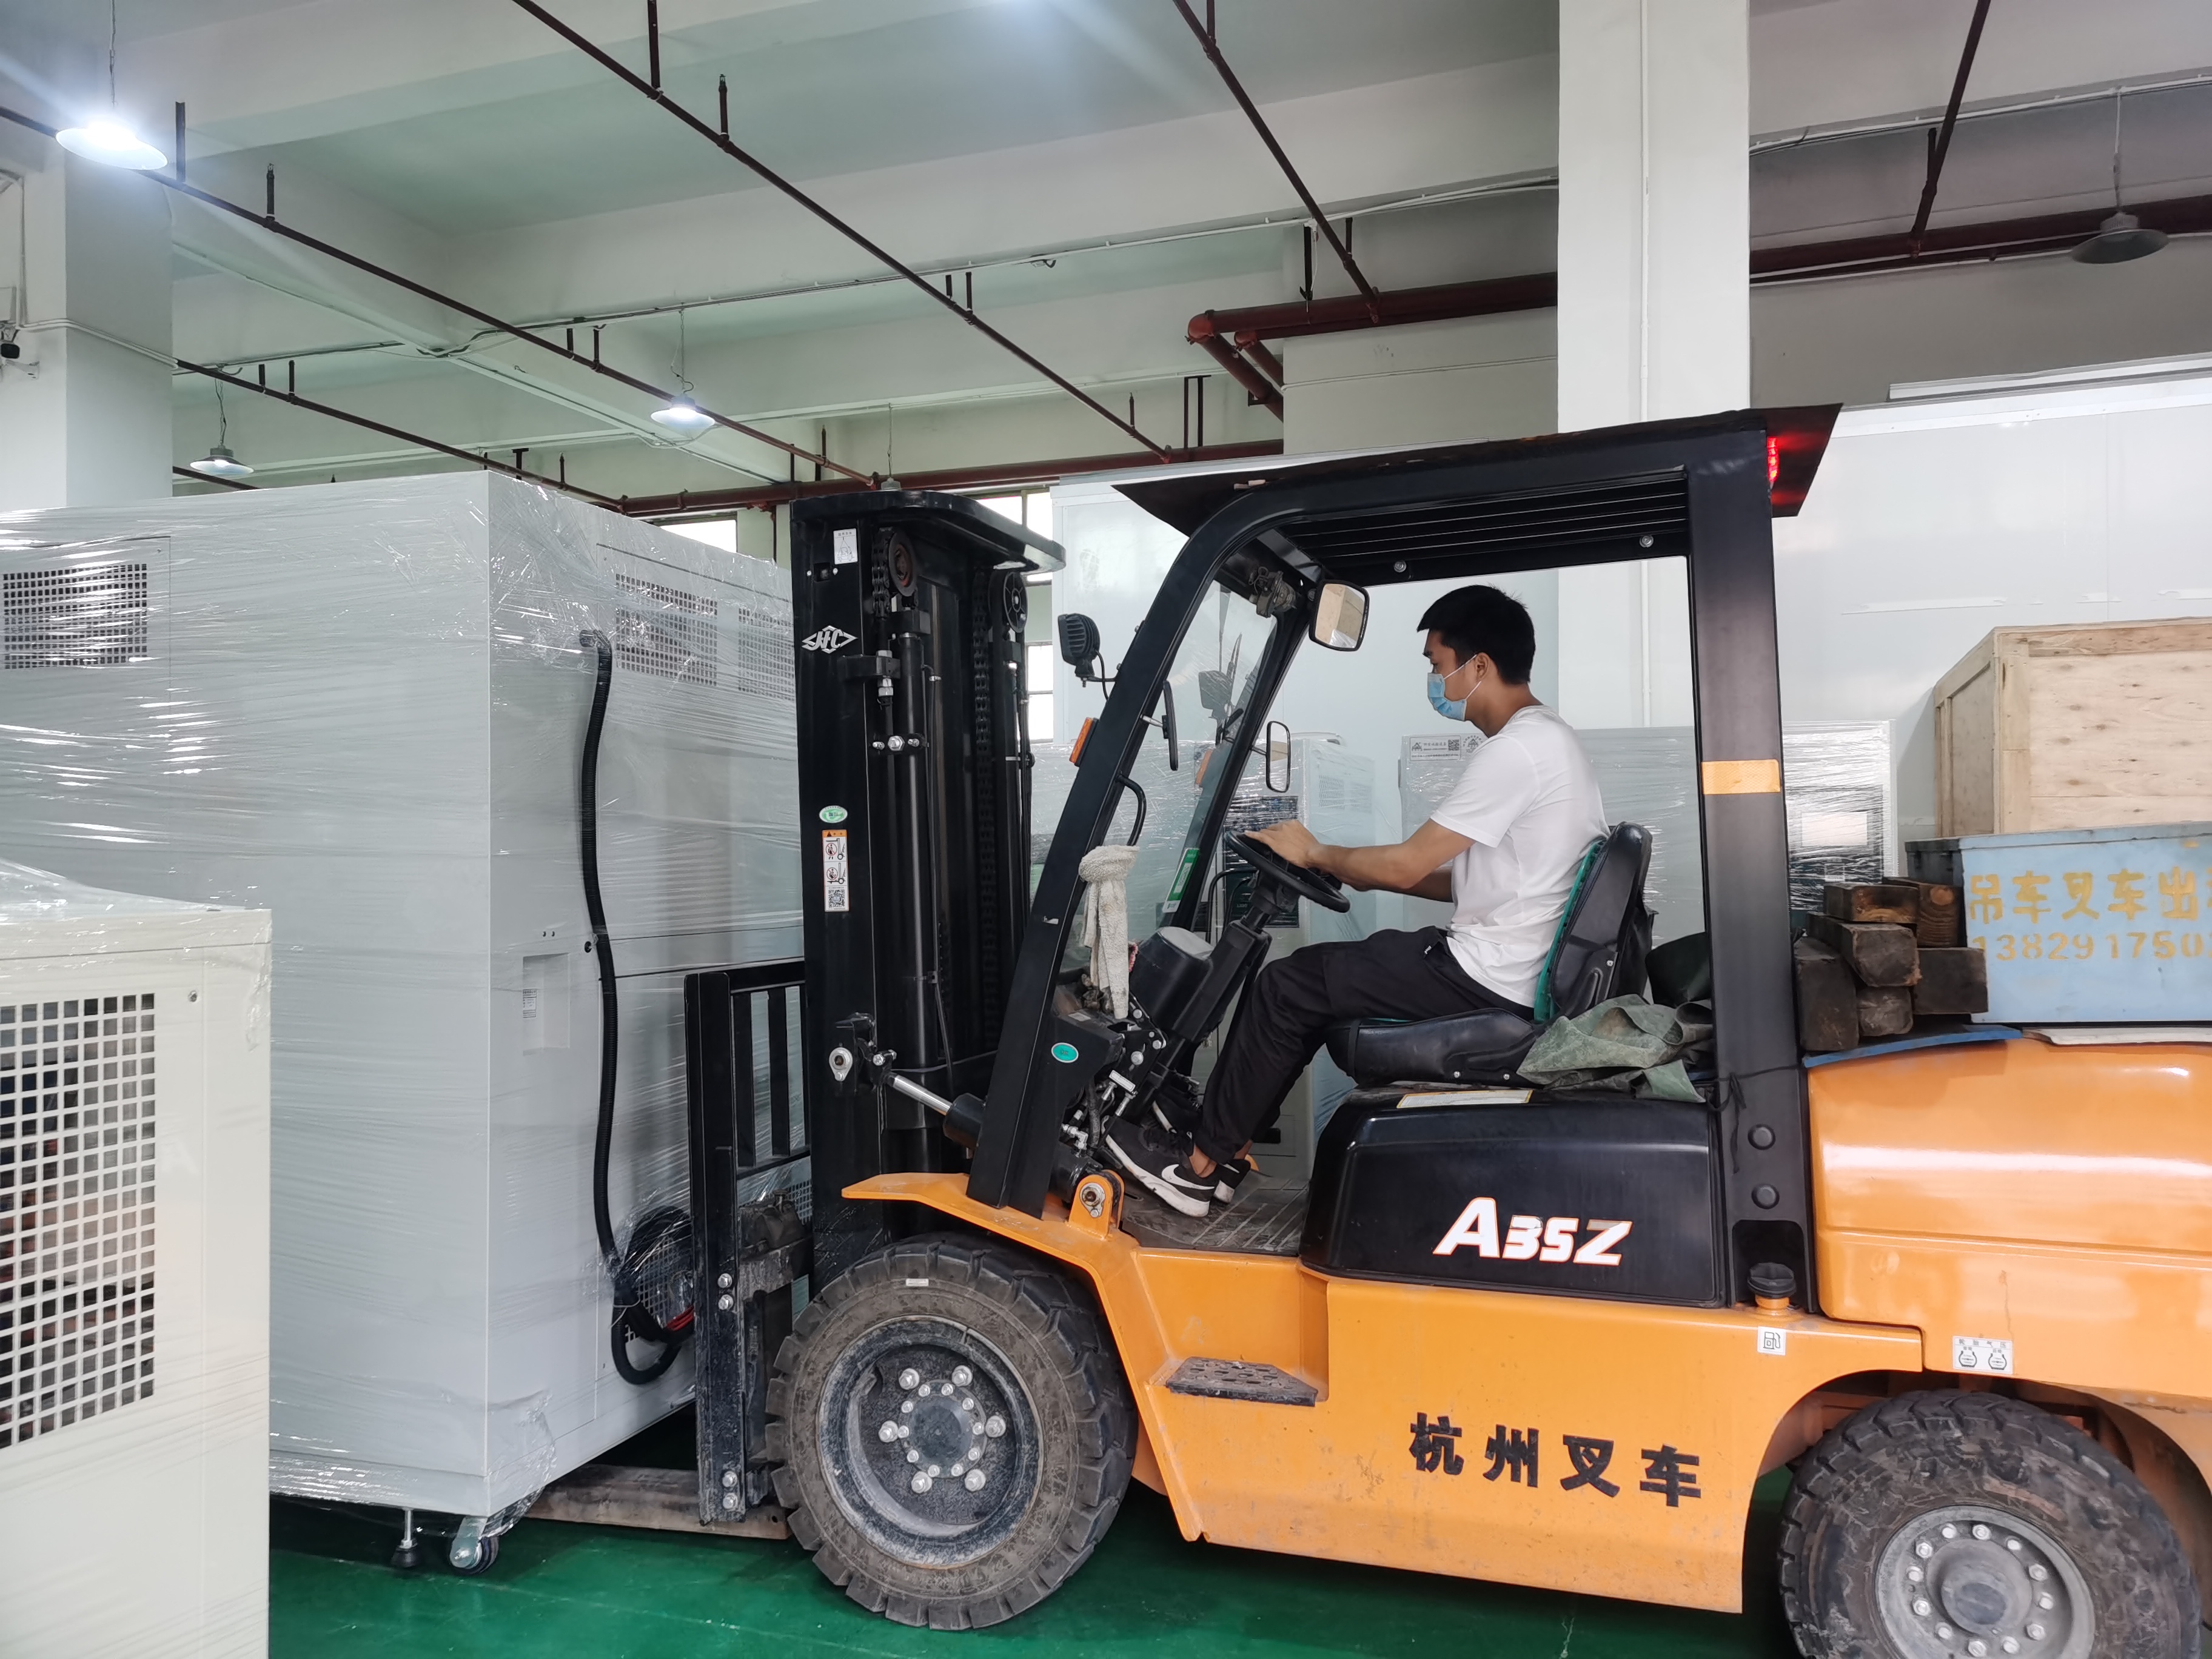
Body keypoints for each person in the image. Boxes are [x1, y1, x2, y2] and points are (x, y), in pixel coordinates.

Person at [1104, 584, 1606, 1218]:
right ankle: (1224, 1154)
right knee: (1313, 984)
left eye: (1437, 664)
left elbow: (1409, 862)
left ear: (1479, 665)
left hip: (1487, 976)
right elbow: (1461, 878)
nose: (1434, 680)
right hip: (1506, 966)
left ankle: (1196, 1168)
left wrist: (1319, 851)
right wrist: (1354, 870)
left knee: (1286, 987)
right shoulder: (1547, 741)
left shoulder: (1517, 751)